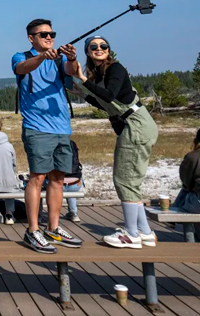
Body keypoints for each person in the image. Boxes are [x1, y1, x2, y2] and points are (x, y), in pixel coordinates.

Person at [73, 35, 158, 248]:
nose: (99, 48)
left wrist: (83, 81)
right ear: (88, 51)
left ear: (109, 50)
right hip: (137, 126)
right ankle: (144, 232)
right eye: (94, 46)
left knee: (124, 181)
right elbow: (107, 104)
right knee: (132, 182)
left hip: (135, 127)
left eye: (103, 46)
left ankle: (131, 234)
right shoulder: (103, 73)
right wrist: (82, 94)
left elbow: (109, 95)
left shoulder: (115, 69)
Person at [12, 18, 82, 253]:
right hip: (37, 128)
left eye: (52, 33)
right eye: (43, 34)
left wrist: (71, 58)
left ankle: (53, 228)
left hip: (62, 128)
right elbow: (21, 69)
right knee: (37, 178)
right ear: (31, 38)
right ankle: (33, 230)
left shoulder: (60, 58)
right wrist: (43, 56)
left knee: (59, 179)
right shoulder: (21, 56)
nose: (49, 37)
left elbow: (71, 75)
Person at [174, 129, 200, 214]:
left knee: (185, 191)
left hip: (197, 202)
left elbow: (187, 182)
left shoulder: (193, 157)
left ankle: (175, 215)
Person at [63, 140, 83, 223]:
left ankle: (39, 214)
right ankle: (73, 213)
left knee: (39, 185)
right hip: (75, 182)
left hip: (58, 184)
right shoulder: (72, 143)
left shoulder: (51, 143)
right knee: (70, 188)